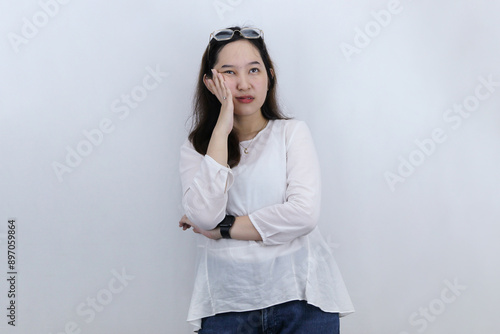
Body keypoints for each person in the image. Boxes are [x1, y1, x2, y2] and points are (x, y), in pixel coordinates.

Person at [178, 26, 354, 333]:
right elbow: (205, 215)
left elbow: (303, 215)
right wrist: (222, 125)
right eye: (229, 73)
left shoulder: (291, 133)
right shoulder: (197, 149)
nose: (244, 84)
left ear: (269, 75)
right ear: (210, 82)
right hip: (226, 306)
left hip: (302, 299)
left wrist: (224, 229)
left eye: (254, 70)